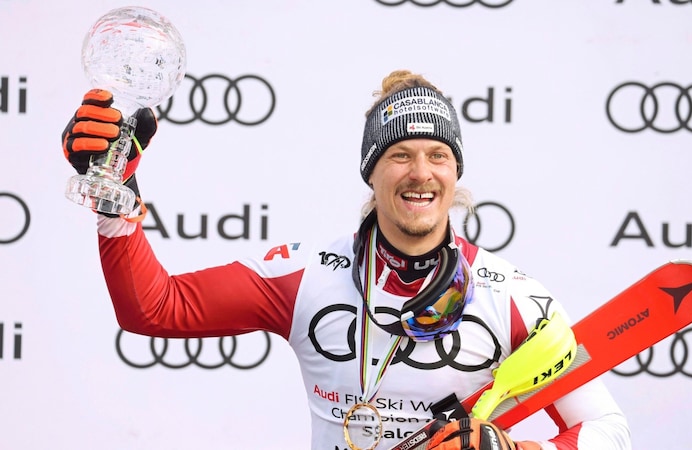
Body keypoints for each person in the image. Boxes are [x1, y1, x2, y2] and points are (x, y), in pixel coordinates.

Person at [61, 70, 632, 450]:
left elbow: (609, 430)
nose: (421, 172)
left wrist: (509, 449)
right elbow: (156, 309)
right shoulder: (307, 276)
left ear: (456, 172)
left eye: (438, 154)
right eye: (400, 154)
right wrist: (117, 197)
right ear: (372, 170)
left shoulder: (512, 297)